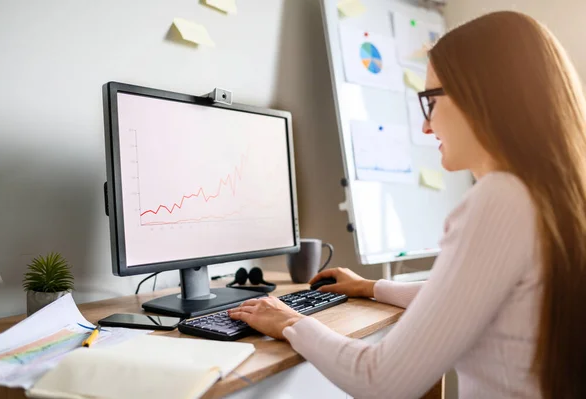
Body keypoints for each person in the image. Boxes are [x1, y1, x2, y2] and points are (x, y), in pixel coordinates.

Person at [229, 10, 586, 399]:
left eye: (430, 101)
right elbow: (465, 298)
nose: (426, 127)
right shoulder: (552, 196)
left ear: (482, 95)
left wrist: (290, 323)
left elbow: (381, 380)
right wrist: (371, 287)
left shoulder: (499, 199)